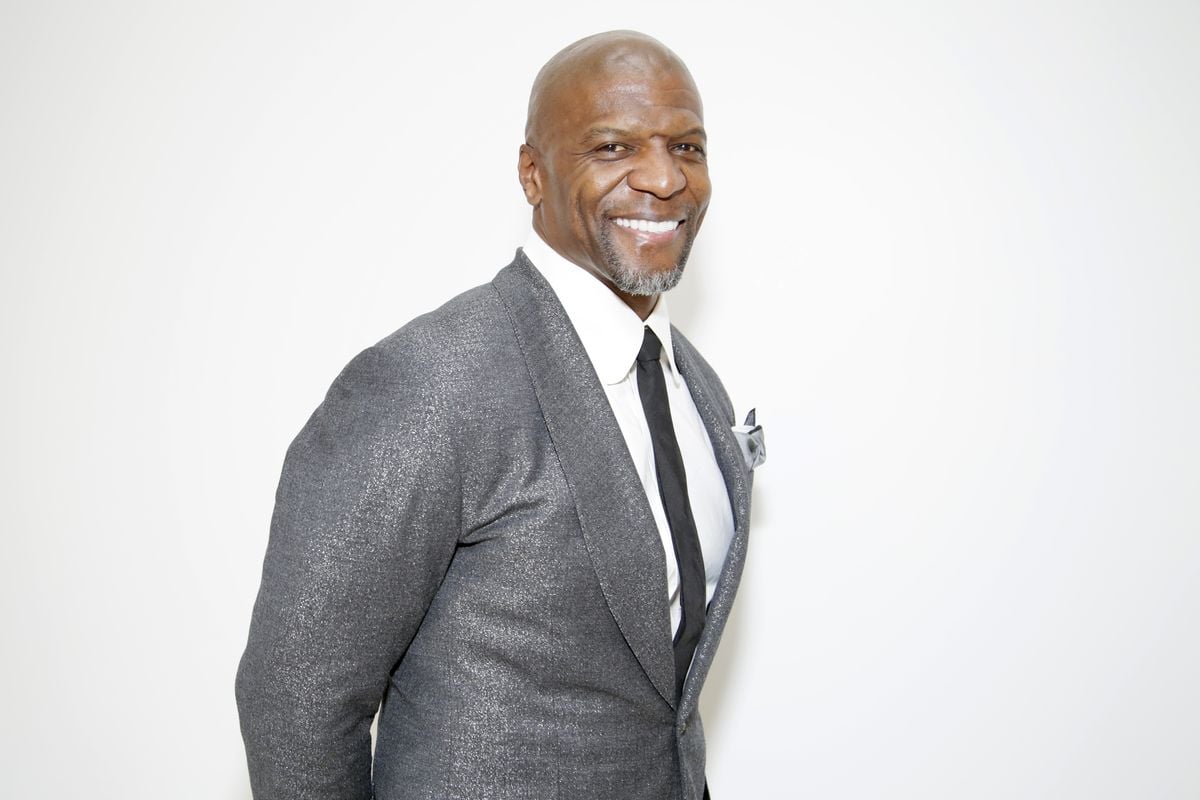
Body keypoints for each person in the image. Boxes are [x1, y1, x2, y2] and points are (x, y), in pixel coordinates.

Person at [236, 29, 760, 800]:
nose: (662, 177)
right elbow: (296, 697)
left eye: (686, 147)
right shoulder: (429, 381)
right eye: (613, 148)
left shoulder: (696, 386)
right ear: (532, 173)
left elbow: (662, 702)